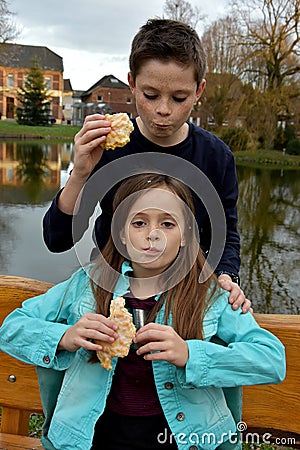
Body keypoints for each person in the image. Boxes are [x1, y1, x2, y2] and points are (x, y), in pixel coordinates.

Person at [0, 174, 285, 450]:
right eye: (139, 223)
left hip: (180, 439)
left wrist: (191, 355)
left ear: (186, 235)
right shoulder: (87, 285)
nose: (153, 235)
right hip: (94, 437)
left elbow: (271, 359)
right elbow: (11, 328)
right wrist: (66, 336)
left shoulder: (211, 295)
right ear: (122, 234)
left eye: (167, 224)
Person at [43, 18, 248, 312]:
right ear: (132, 84)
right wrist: (80, 174)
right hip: (109, 295)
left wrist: (227, 276)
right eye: (150, 95)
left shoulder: (216, 157)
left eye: (179, 98)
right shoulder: (107, 147)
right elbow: (58, 239)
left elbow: (225, 234)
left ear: (199, 90)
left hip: (184, 300)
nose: (163, 110)